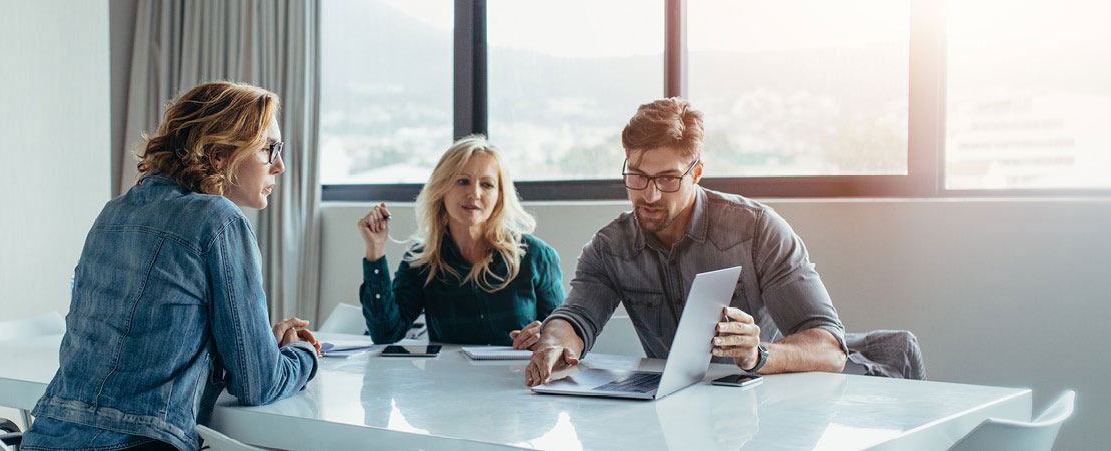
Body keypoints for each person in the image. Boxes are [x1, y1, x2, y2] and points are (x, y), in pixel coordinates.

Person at [22, 81, 320, 451]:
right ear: (219, 155)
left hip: (45, 437)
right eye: (269, 148)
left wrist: (257, 343)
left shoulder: (114, 212)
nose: (280, 165)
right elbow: (258, 385)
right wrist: (301, 354)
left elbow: (150, 343)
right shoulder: (218, 219)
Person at [519, 98, 848, 386]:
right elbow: (576, 318)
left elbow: (830, 348)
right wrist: (553, 345)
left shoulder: (758, 231)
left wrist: (758, 355)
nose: (650, 195)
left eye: (668, 179)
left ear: (697, 172)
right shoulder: (610, 248)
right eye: (637, 176)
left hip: (765, 402)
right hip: (672, 406)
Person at [357, 136, 564, 346]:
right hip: (449, 378)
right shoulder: (421, 261)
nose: (474, 193)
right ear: (442, 188)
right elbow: (386, 333)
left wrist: (547, 335)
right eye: (462, 181)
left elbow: (563, 335)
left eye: (487, 184)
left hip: (518, 377)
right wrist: (375, 250)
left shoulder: (537, 256)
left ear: (499, 195)